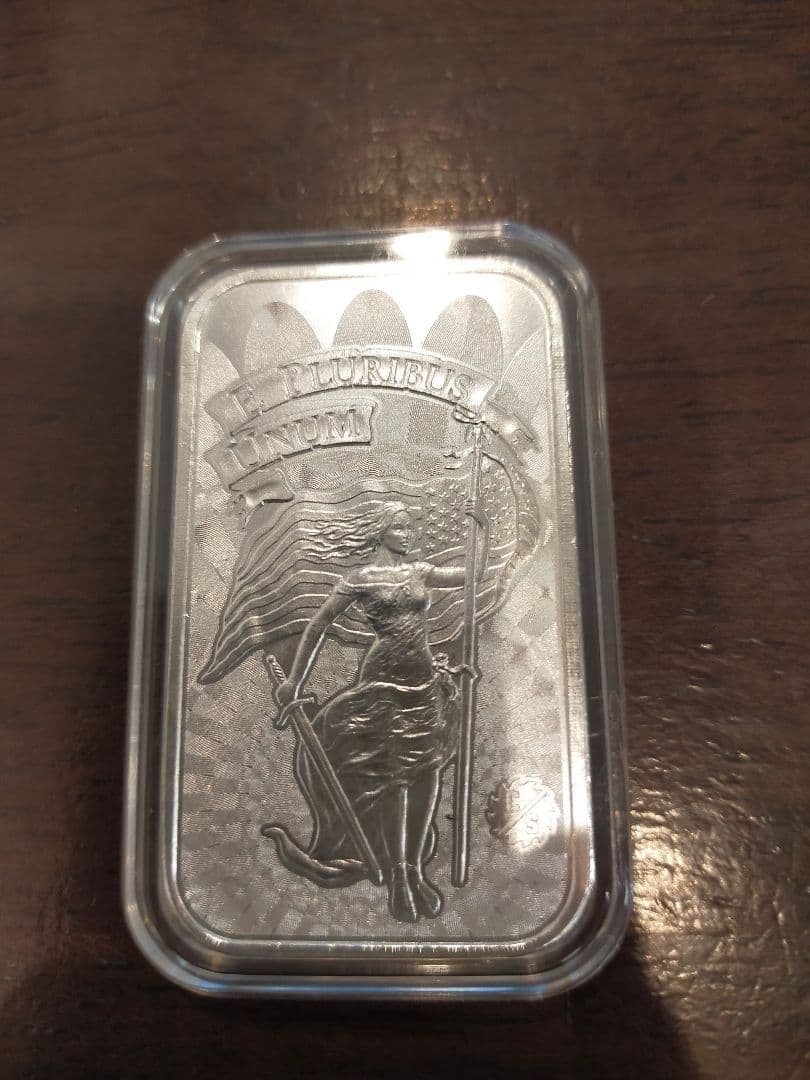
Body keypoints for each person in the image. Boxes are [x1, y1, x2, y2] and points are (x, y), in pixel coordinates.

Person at [266, 497, 490, 922]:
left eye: (410, 527)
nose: (408, 534)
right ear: (381, 531)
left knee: (427, 773)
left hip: (423, 685)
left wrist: (483, 531)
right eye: (401, 527)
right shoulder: (360, 578)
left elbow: (472, 576)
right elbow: (319, 624)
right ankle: (399, 875)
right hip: (382, 684)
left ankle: (414, 869)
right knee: (395, 778)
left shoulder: (420, 572)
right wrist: (296, 679)